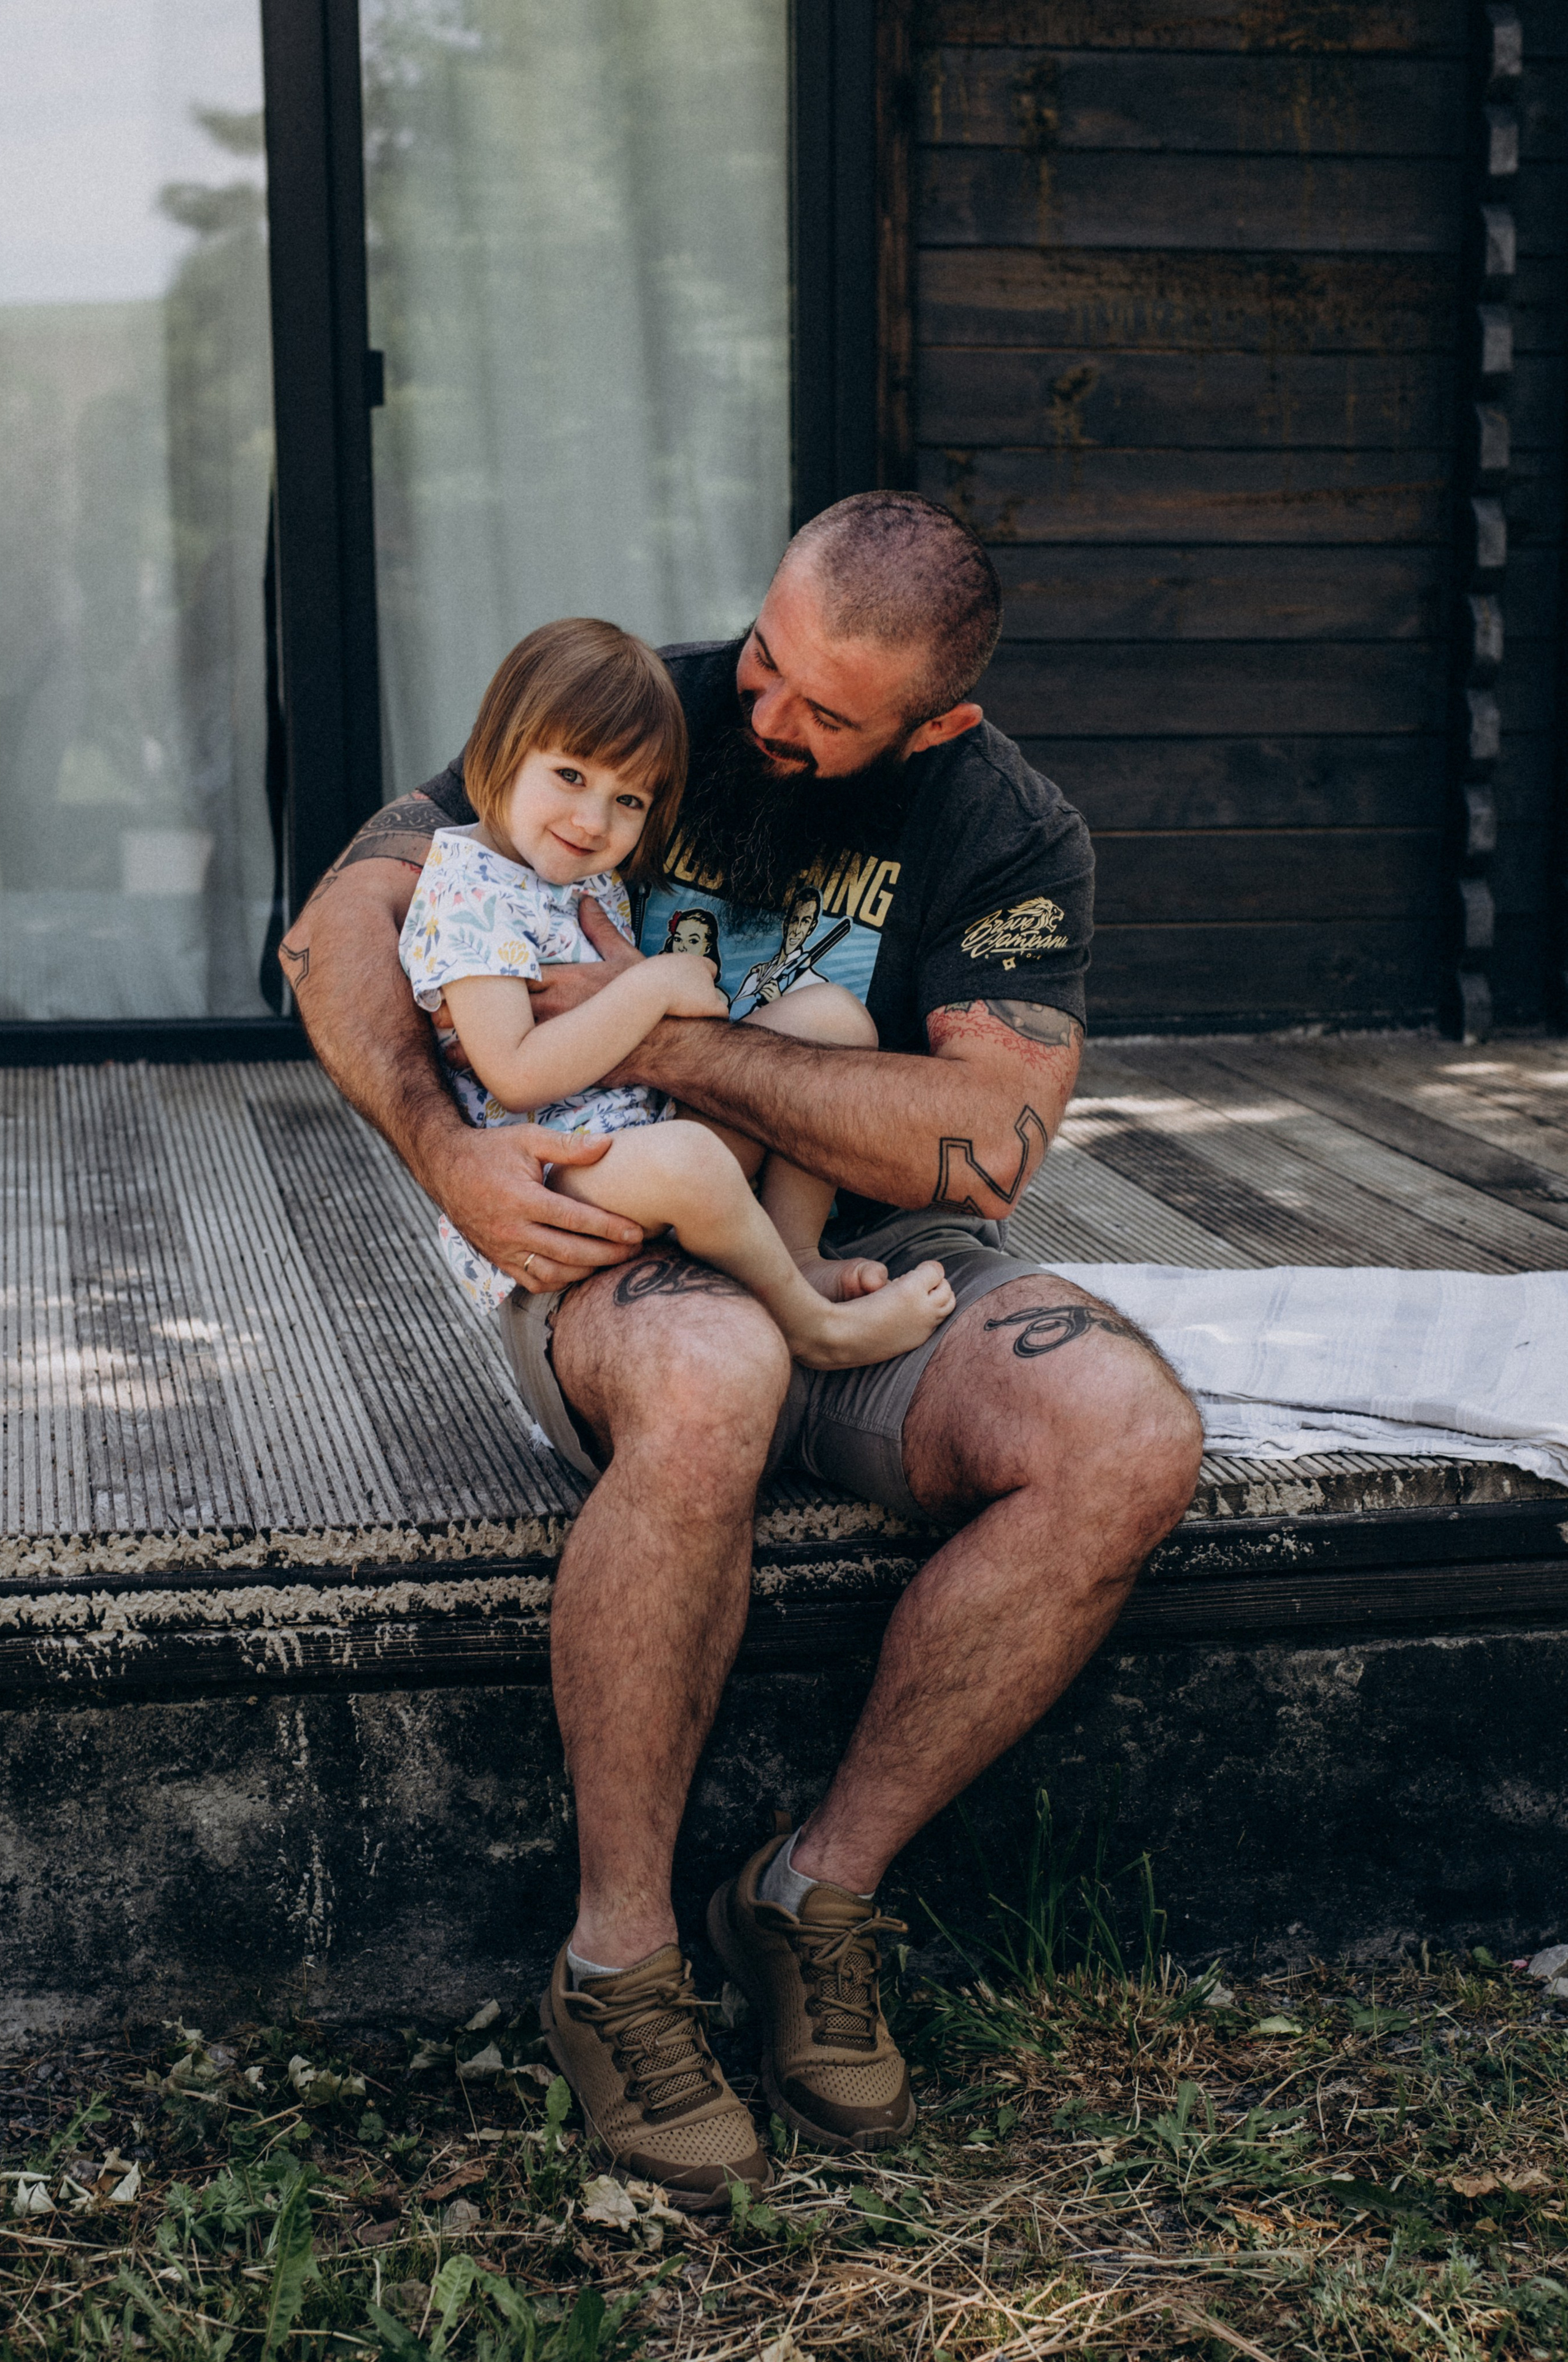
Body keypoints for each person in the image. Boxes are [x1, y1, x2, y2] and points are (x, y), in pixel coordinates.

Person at [280, 491, 1204, 2210]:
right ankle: (619, 1964)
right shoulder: (635, 709)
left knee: (1131, 1436)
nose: (764, 722)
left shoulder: (1009, 832)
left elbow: (984, 1144)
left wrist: (675, 1041)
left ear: (937, 721)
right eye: (767, 661)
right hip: (613, 1234)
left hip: (871, 1244)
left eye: (824, 713)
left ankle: (814, 1892)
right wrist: (451, 1152)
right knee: (719, 1373)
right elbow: (342, 921)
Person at [398, 614, 955, 1364]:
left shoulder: (570, 865)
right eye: (570, 775)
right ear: (500, 749)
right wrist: (654, 984)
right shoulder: (470, 890)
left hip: (646, 1123)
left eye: (629, 800)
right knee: (690, 1157)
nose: (593, 819)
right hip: (558, 1173)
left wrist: (660, 993)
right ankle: (811, 1327)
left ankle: (794, 1254)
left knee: (832, 1022)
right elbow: (516, 1073)